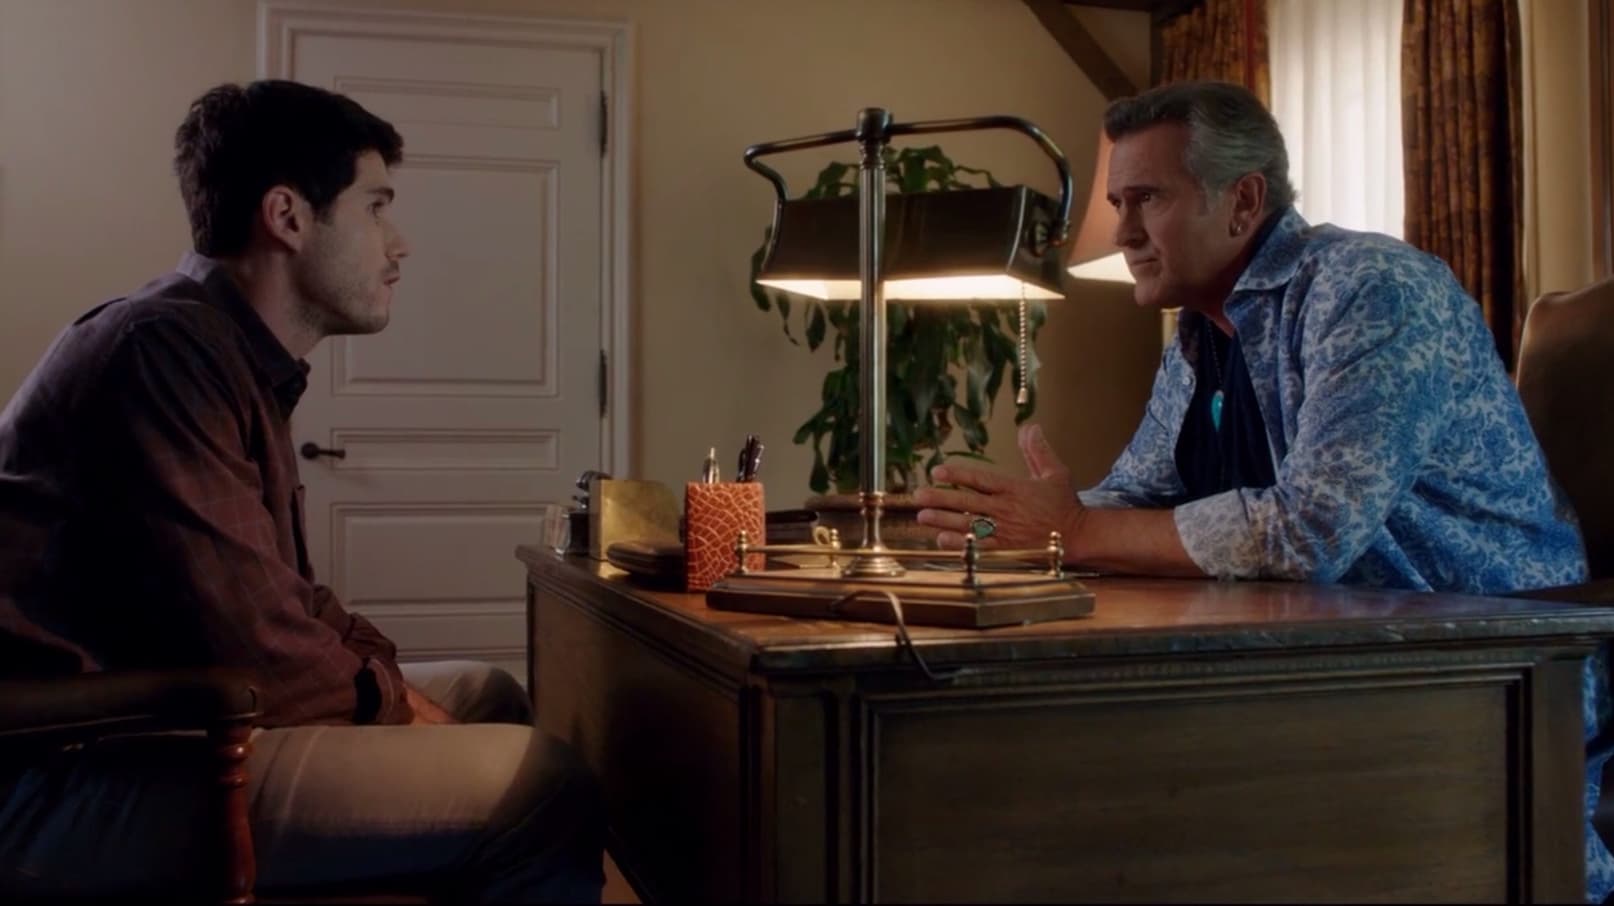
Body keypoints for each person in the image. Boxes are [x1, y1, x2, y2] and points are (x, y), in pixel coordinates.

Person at [914, 80, 1609, 899]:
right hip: (1336, 659)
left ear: (1243, 201)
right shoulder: (1201, 333)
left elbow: (1312, 528)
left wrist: (1071, 531)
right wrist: (993, 530)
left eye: (1147, 200)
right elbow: (1133, 498)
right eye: (1117, 203)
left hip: (1501, 665)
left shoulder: (1371, 288)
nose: (1125, 232)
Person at [0, 80, 604, 901]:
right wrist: (401, 712)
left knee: (488, 695)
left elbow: (288, 598)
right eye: (375, 208)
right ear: (287, 216)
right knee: (542, 788)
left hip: (162, 725)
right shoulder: (162, 352)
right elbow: (251, 643)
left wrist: (394, 693)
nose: (399, 245)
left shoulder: (228, 356)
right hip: (64, 771)